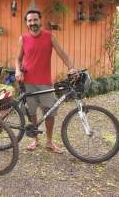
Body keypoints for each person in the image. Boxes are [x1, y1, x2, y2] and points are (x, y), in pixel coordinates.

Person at [15, 9, 75, 154]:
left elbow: (63, 54)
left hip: (45, 82)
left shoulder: (50, 36)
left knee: (49, 112)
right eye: (29, 20)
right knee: (32, 112)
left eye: (35, 20)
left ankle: (49, 141)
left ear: (40, 20)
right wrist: (17, 70)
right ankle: (35, 139)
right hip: (28, 81)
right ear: (26, 23)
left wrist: (72, 68)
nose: (33, 23)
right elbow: (18, 59)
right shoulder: (23, 38)